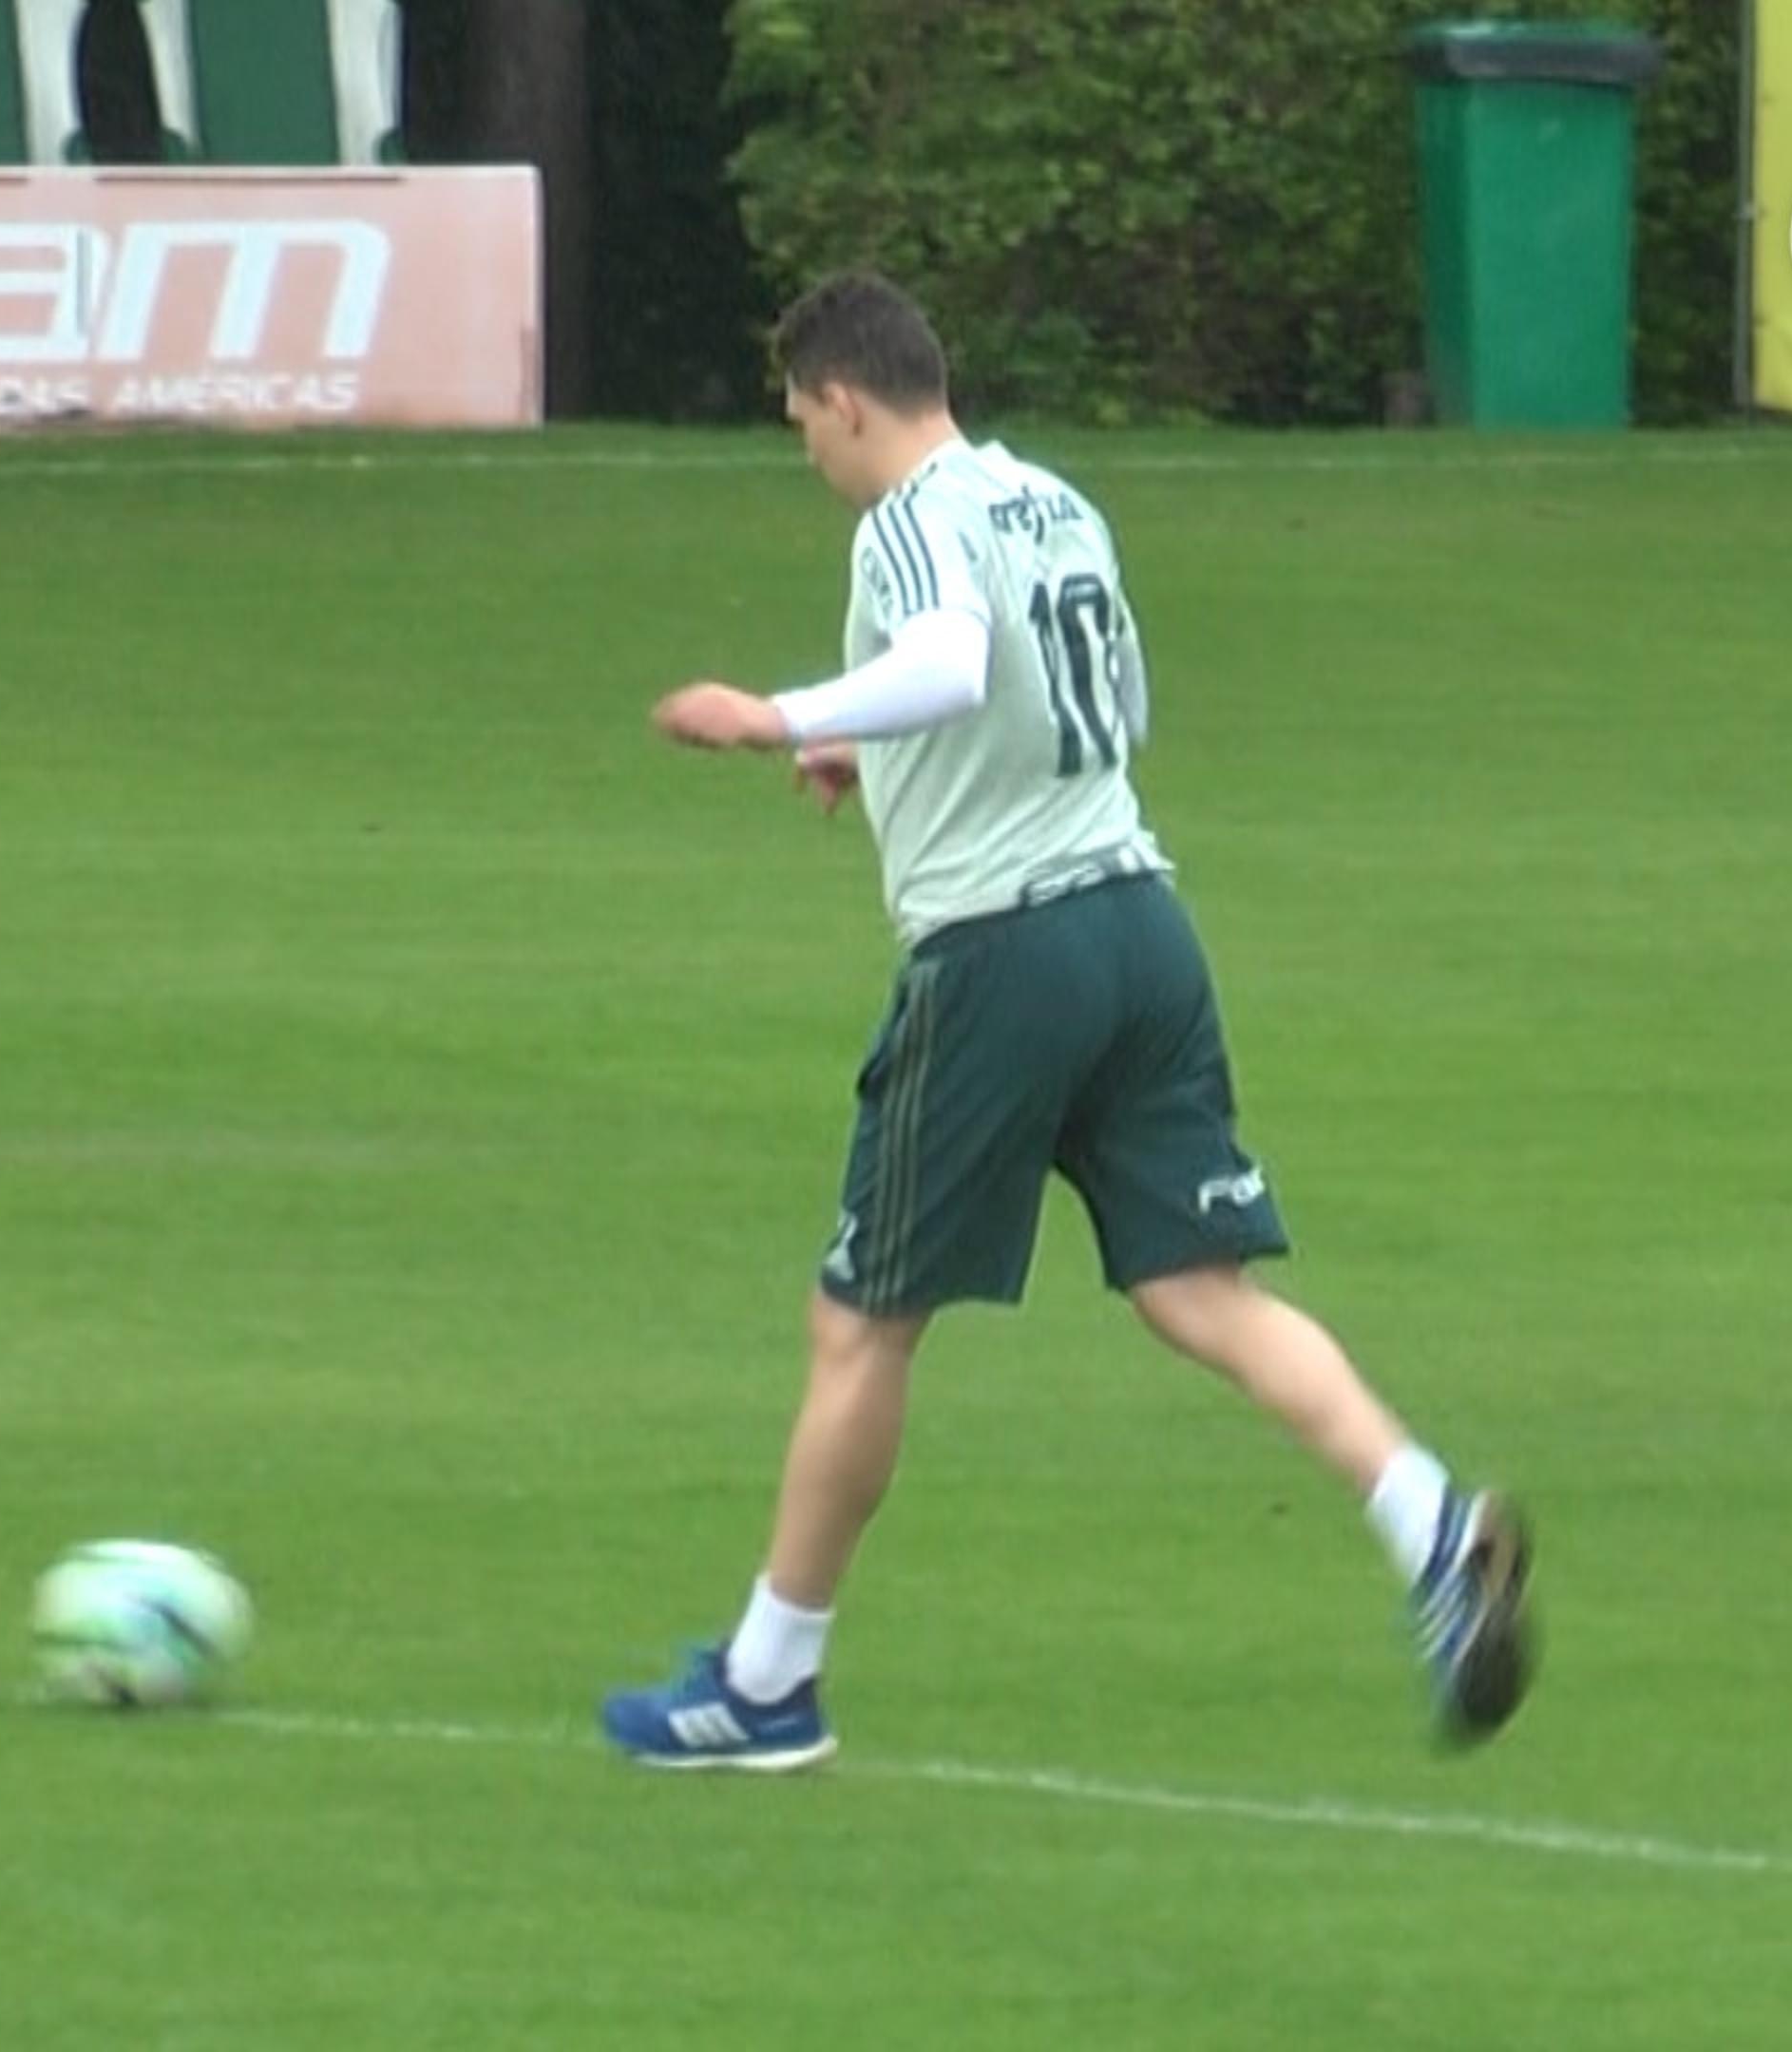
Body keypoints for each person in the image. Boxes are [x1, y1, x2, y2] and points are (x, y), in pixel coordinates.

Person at [602, 273, 1535, 1772]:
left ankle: (769, 1683)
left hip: (1004, 959)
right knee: (1198, 1294)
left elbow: (959, 663)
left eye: (802, 424)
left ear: (845, 398)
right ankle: (1428, 1525)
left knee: (859, 1325)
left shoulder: (903, 519)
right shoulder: (1052, 499)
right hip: (1142, 931)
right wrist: (870, 752)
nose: (808, 454)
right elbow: (1087, 701)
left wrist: (783, 715)